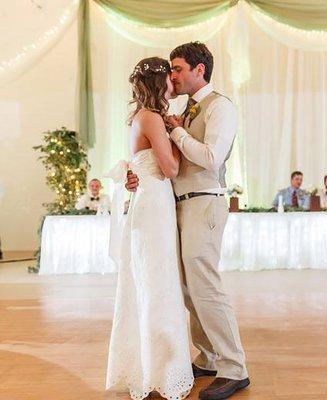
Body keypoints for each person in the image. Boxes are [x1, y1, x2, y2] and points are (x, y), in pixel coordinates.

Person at [126, 43, 250, 400]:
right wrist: (137, 175)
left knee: (206, 286)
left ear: (199, 70)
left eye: (178, 69)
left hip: (205, 202)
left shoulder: (221, 107)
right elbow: (158, 159)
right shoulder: (181, 109)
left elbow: (211, 158)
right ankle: (209, 356)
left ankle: (234, 367)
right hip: (176, 205)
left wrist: (178, 132)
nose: (173, 76)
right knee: (186, 288)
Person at [105, 57, 193, 400]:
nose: (174, 81)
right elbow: (170, 168)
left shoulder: (139, 117)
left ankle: (151, 364)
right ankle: (161, 369)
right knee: (158, 283)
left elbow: (142, 162)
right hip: (155, 203)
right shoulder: (154, 118)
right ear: (161, 84)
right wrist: (177, 132)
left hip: (149, 201)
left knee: (150, 281)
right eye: (170, 77)